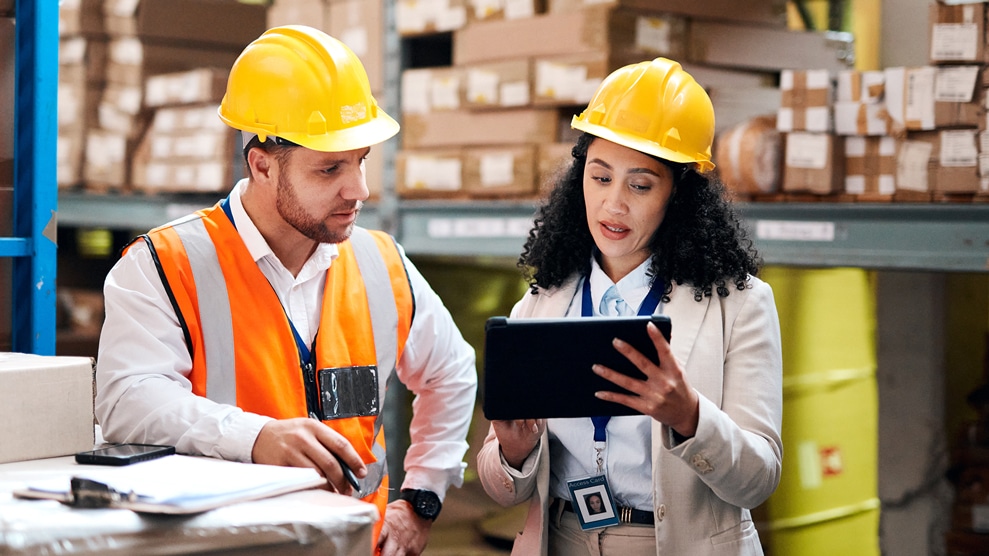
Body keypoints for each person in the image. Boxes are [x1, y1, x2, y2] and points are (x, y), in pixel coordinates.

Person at [94, 25, 477, 556]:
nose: (359, 190)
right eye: (330, 168)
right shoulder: (164, 264)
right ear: (262, 165)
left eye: (361, 160)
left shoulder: (380, 263)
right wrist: (255, 437)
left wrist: (421, 498)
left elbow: (452, 371)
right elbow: (128, 399)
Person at [476, 57, 783, 555]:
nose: (613, 204)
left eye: (639, 185)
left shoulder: (741, 305)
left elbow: (758, 480)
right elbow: (499, 485)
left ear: (679, 195)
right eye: (600, 179)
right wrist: (513, 451)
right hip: (563, 539)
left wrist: (690, 417)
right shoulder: (543, 302)